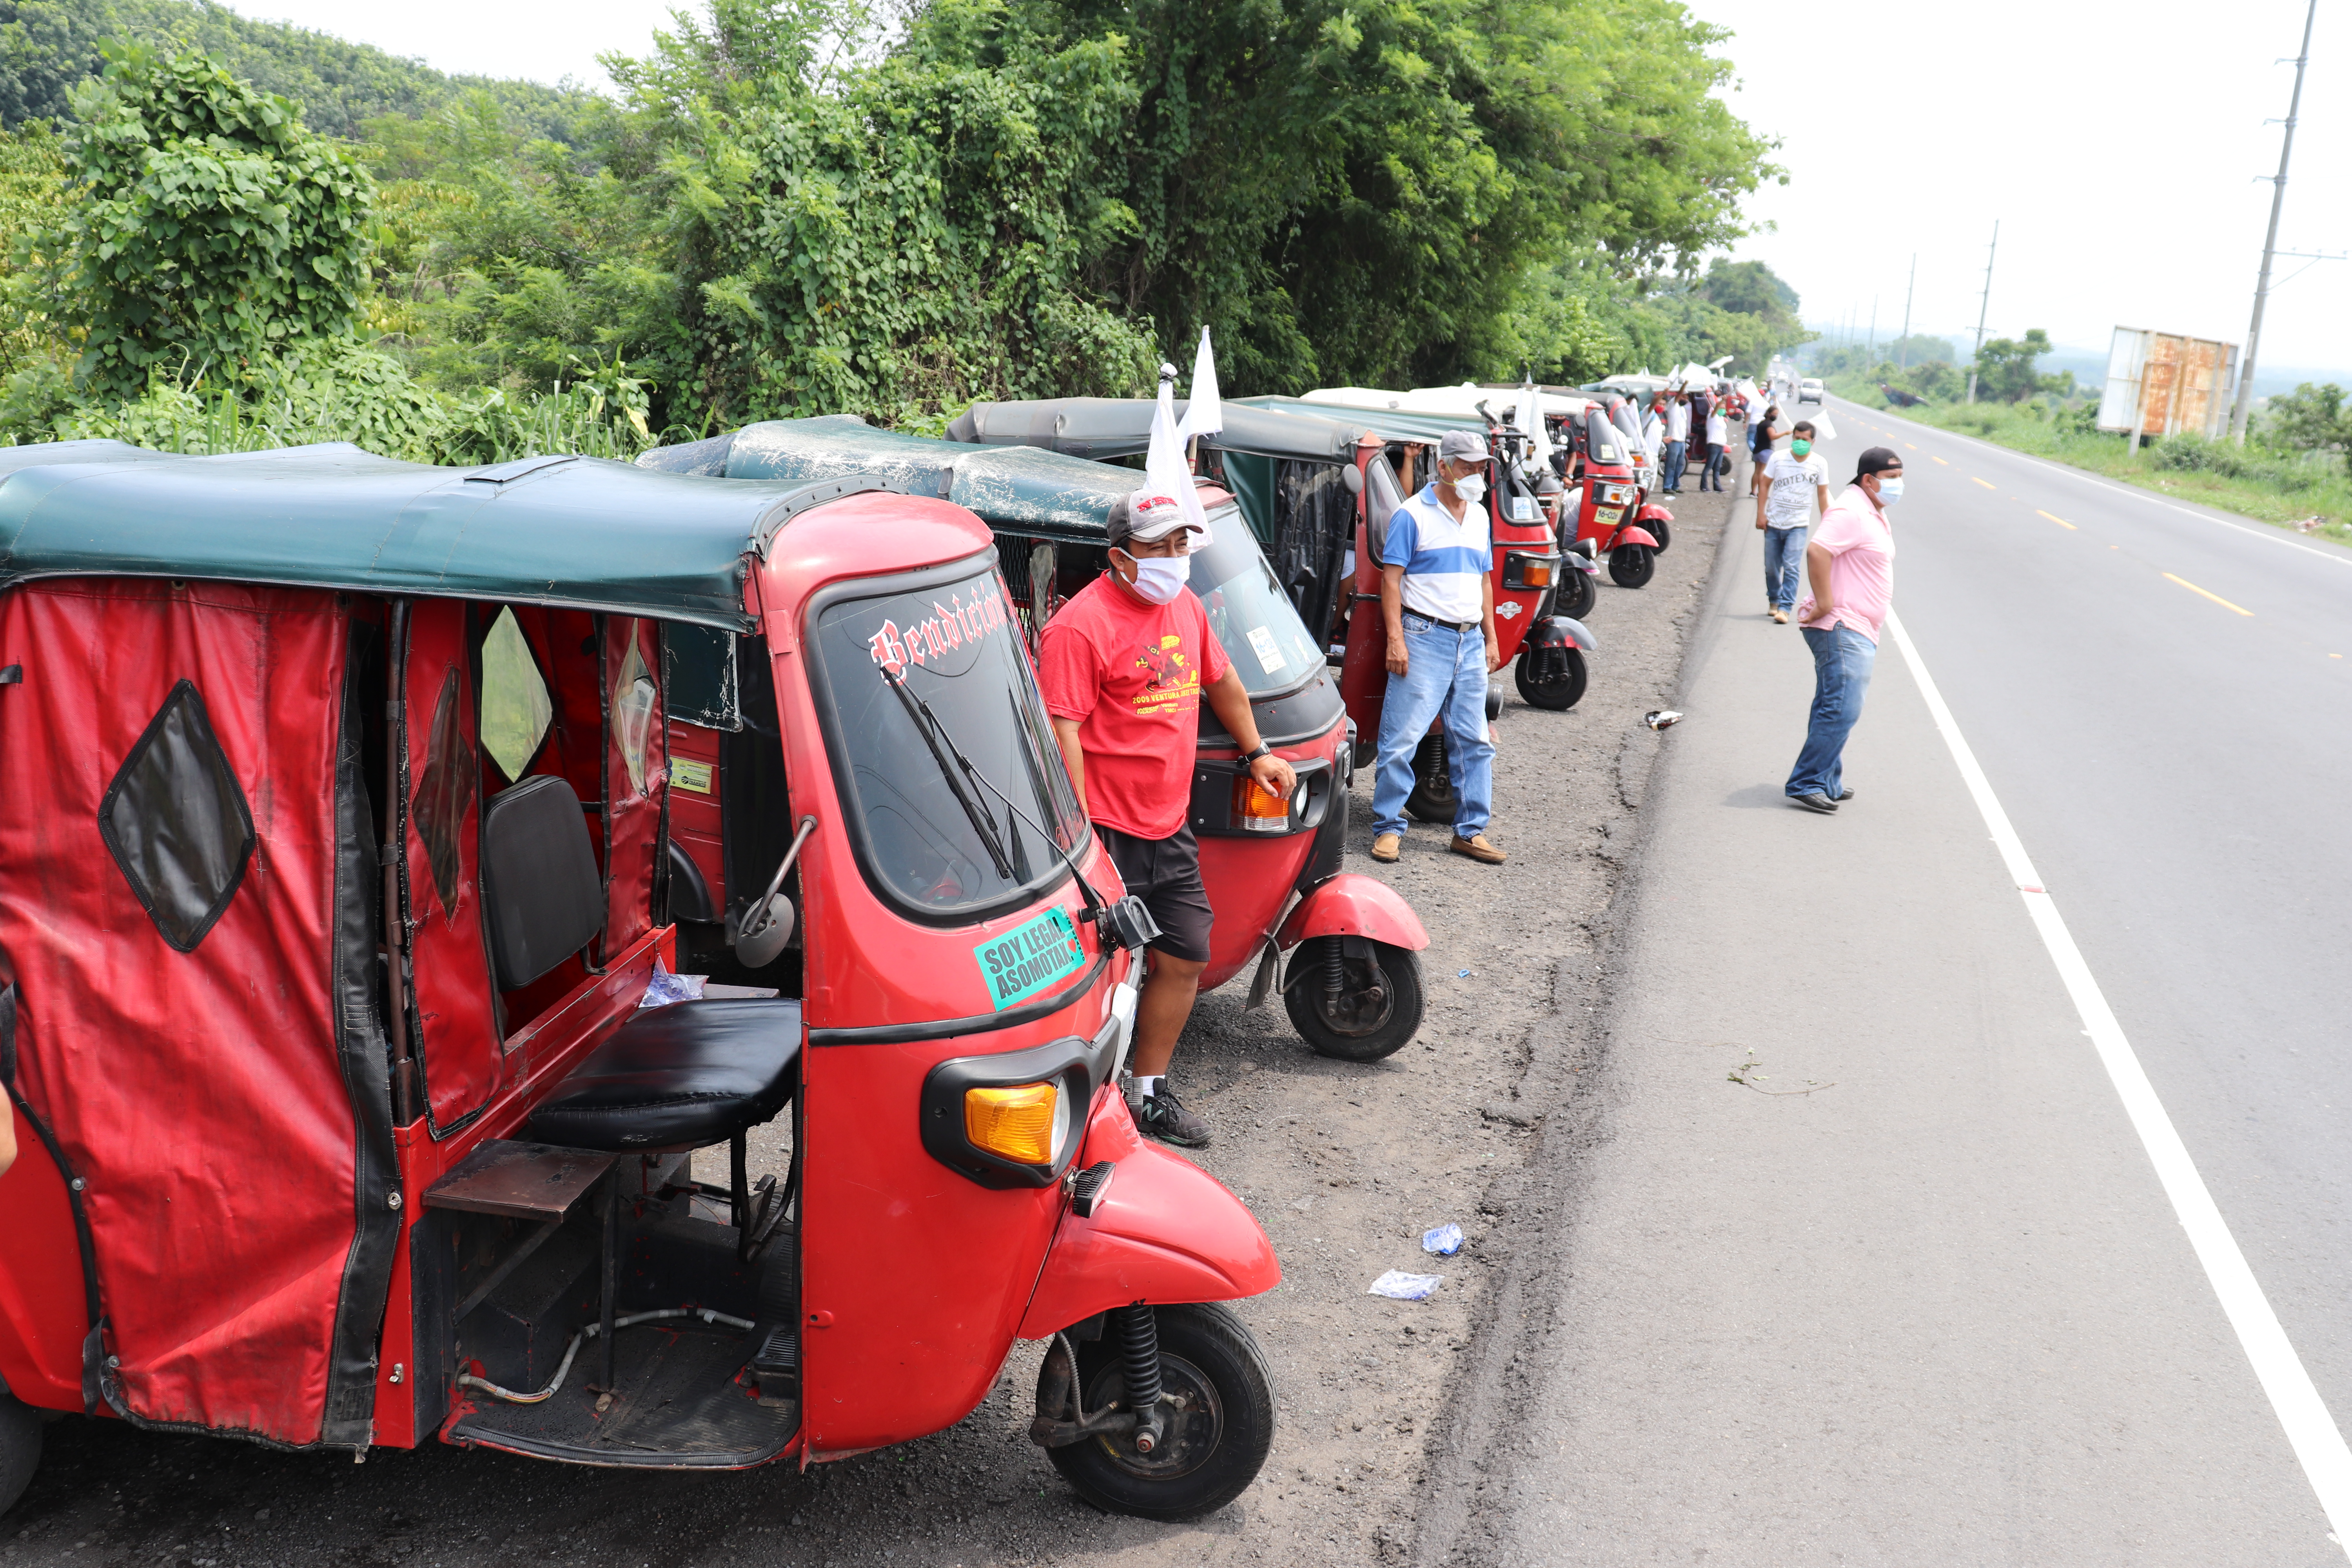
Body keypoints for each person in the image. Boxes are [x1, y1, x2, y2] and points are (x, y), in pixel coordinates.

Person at [1040, 490, 1297, 1147]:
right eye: (1159, 546)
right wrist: (1080, 842)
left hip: (1168, 825)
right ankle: (1077, 1108)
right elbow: (1062, 732)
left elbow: (1223, 682)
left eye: (1182, 545)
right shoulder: (1079, 627)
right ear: (1120, 558)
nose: (1174, 559)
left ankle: (1147, 1091)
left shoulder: (1185, 605)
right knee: (1096, 974)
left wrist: (1259, 752)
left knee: (1184, 957)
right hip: (1105, 834)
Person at [1369, 428, 1505, 867]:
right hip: (1424, 636)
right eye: (1468, 466)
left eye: (1481, 467)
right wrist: (1396, 640)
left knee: (1475, 739)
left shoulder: (1481, 516)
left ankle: (1470, 831)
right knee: (1402, 737)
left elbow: (1484, 577)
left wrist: (1491, 635)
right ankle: (1388, 828)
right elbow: (1391, 580)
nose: (1477, 475)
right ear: (1443, 466)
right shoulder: (1412, 515)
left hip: (1468, 641)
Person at [1786, 447, 1903, 814]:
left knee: (1832, 705)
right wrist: (1823, 603)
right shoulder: (1850, 510)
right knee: (1842, 708)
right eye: (1891, 478)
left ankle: (1827, 779)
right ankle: (1806, 781)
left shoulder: (1871, 510)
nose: (1899, 485)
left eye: (1901, 476)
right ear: (1868, 480)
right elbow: (1818, 551)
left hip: (1857, 626)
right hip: (1841, 624)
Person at [1755, 420, 1829, 623]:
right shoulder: (1778, 458)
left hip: (1798, 525)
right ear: (1792, 437)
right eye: (1796, 438)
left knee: (1792, 566)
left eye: (1804, 440)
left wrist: (1828, 521)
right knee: (1771, 566)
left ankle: (1786, 608)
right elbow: (1764, 485)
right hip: (1774, 522)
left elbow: (1823, 495)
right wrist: (1761, 514)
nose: (1800, 443)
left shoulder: (1819, 463)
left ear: (1813, 441)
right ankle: (1774, 600)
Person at [1746, 403, 1782, 497]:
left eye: (1777, 414)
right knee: (1763, 472)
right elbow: (1773, 436)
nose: (1775, 416)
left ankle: (1753, 492)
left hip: (1758, 450)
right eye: (1774, 413)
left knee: (1757, 472)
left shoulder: (1762, 423)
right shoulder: (1769, 425)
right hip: (1766, 450)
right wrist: (1785, 433)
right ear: (1769, 413)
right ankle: (1761, 493)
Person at [1661, 391, 1691, 494]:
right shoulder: (1673, 406)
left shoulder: (1683, 409)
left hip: (1682, 441)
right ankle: (1667, 486)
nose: (1685, 399)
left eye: (1687, 398)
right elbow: (1678, 396)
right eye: (1684, 397)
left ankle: (1675, 486)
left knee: (1680, 465)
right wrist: (1684, 386)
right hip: (1673, 440)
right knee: (1671, 465)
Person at [1699, 398, 1730, 492]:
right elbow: (1716, 409)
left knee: (1717, 468)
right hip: (1714, 444)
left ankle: (1717, 486)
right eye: (1722, 407)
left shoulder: (1721, 418)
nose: (1723, 410)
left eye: (1724, 408)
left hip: (1721, 445)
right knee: (1709, 466)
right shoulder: (1712, 416)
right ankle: (1704, 486)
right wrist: (1722, 401)